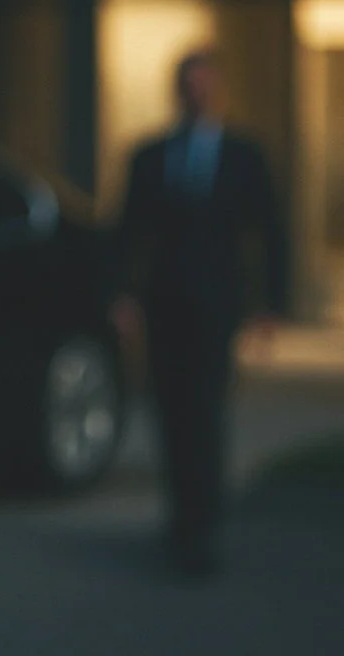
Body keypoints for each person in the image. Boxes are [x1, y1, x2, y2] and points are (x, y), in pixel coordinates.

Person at [111, 49, 287, 579]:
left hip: (217, 306)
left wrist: (269, 306)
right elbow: (128, 230)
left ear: (219, 91)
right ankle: (181, 517)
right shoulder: (150, 154)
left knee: (205, 414)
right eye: (190, 86)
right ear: (178, 92)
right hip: (164, 304)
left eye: (206, 86)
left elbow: (271, 231)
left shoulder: (243, 156)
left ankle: (203, 526)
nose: (198, 95)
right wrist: (122, 296)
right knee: (169, 412)